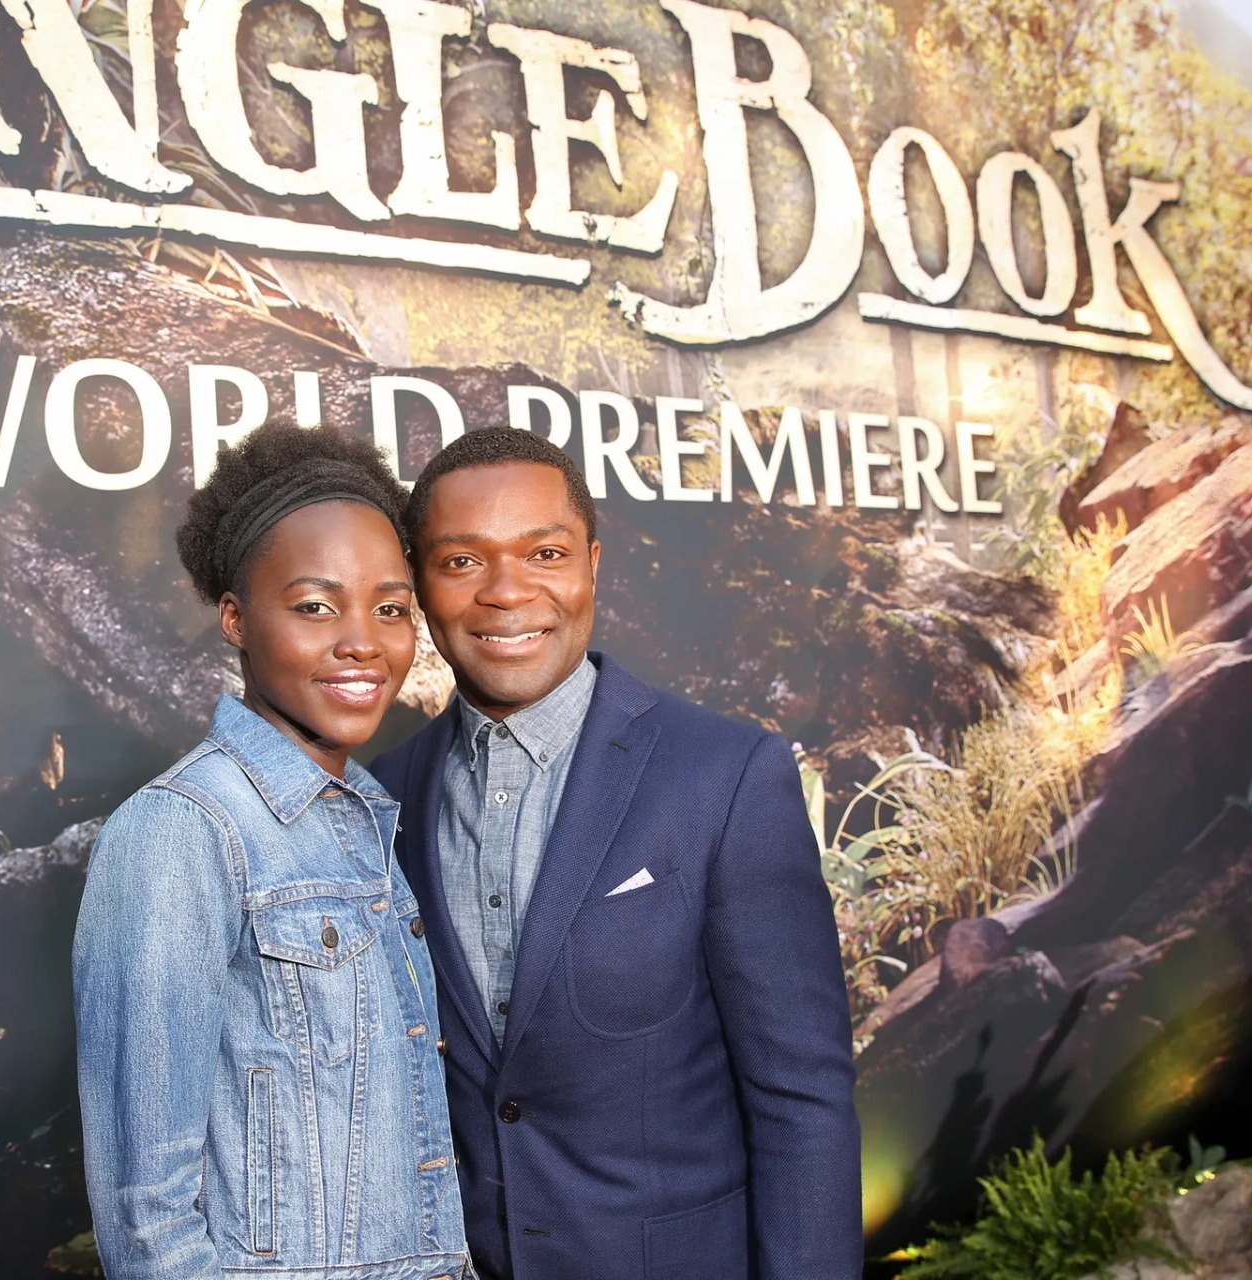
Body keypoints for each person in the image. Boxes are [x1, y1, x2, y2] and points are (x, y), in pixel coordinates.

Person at [369, 428, 861, 1280]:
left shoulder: (727, 775)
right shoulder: (382, 797)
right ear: (417, 584)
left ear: (592, 562)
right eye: (461, 562)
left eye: (545, 552)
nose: (507, 592)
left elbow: (803, 1100)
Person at [73, 423, 472, 1280]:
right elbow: (148, 1223)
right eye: (314, 606)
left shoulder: (368, 818)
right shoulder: (181, 831)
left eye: (391, 608)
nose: (363, 640)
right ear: (234, 618)